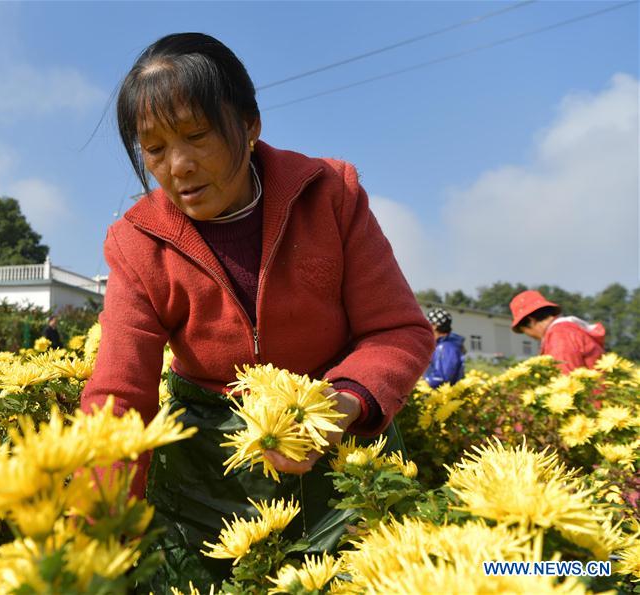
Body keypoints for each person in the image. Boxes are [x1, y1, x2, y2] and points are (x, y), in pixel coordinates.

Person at [80, 32, 434, 589]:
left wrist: (335, 409)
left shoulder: (330, 194)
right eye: (154, 149)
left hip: (343, 449)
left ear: (249, 126)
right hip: (211, 471)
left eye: (197, 135)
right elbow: (119, 395)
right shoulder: (135, 243)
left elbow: (397, 330)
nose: (178, 166)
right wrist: (96, 525)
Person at [510, 290, 605, 374]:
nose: (530, 337)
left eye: (525, 331)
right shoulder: (567, 330)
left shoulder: (560, 336)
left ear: (532, 321)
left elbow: (566, 379)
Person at [423, 307, 466, 388]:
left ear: (434, 326)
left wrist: (423, 382)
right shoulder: (444, 345)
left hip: (444, 396)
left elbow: (443, 378)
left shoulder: (446, 347)